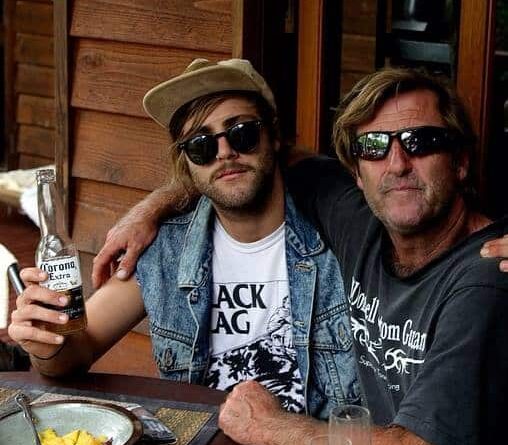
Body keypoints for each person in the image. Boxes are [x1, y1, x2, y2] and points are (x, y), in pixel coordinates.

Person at [92, 67, 508, 445]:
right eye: (375, 146)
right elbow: (242, 166)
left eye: (422, 141)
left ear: (461, 162)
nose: (397, 164)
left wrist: (271, 427)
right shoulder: (355, 221)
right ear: (356, 173)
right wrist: (151, 207)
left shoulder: (488, 275)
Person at [8, 58, 359, 421]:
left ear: (273, 135)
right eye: (201, 146)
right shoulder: (166, 253)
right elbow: (74, 352)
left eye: (242, 134)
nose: (224, 152)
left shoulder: (339, 239)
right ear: (187, 163)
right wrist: (45, 340)